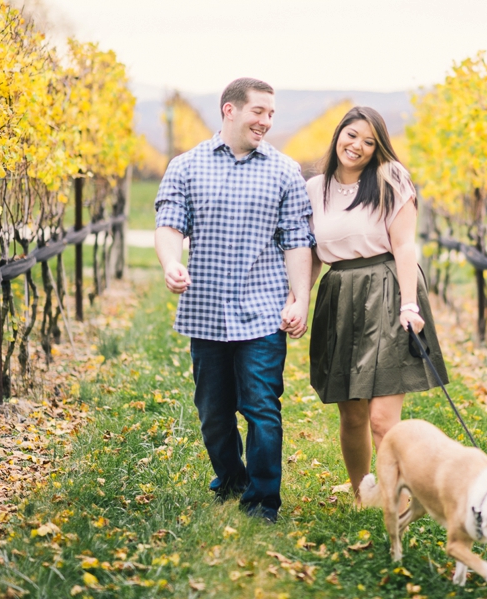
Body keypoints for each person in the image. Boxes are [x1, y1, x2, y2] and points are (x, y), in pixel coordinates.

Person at [154, 77, 313, 522]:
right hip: (205, 312)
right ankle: (230, 477)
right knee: (213, 415)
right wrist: (170, 263)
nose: (265, 121)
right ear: (229, 109)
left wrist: (299, 299)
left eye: (271, 114)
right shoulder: (185, 167)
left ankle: (264, 499)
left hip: (262, 312)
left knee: (262, 408)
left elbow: (298, 241)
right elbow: (169, 225)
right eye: (258, 111)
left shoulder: (285, 171)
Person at [285, 106, 448, 502]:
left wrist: (410, 304)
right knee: (353, 413)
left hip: (388, 291)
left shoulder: (390, 178)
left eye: (369, 141)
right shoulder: (314, 188)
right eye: (352, 135)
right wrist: (299, 301)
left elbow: (405, 245)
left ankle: (396, 498)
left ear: (378, 148)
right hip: (340, 294)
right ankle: (363, 494)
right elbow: (314, 254)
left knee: (380, 418)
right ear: (338, 134)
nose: (357, 146)